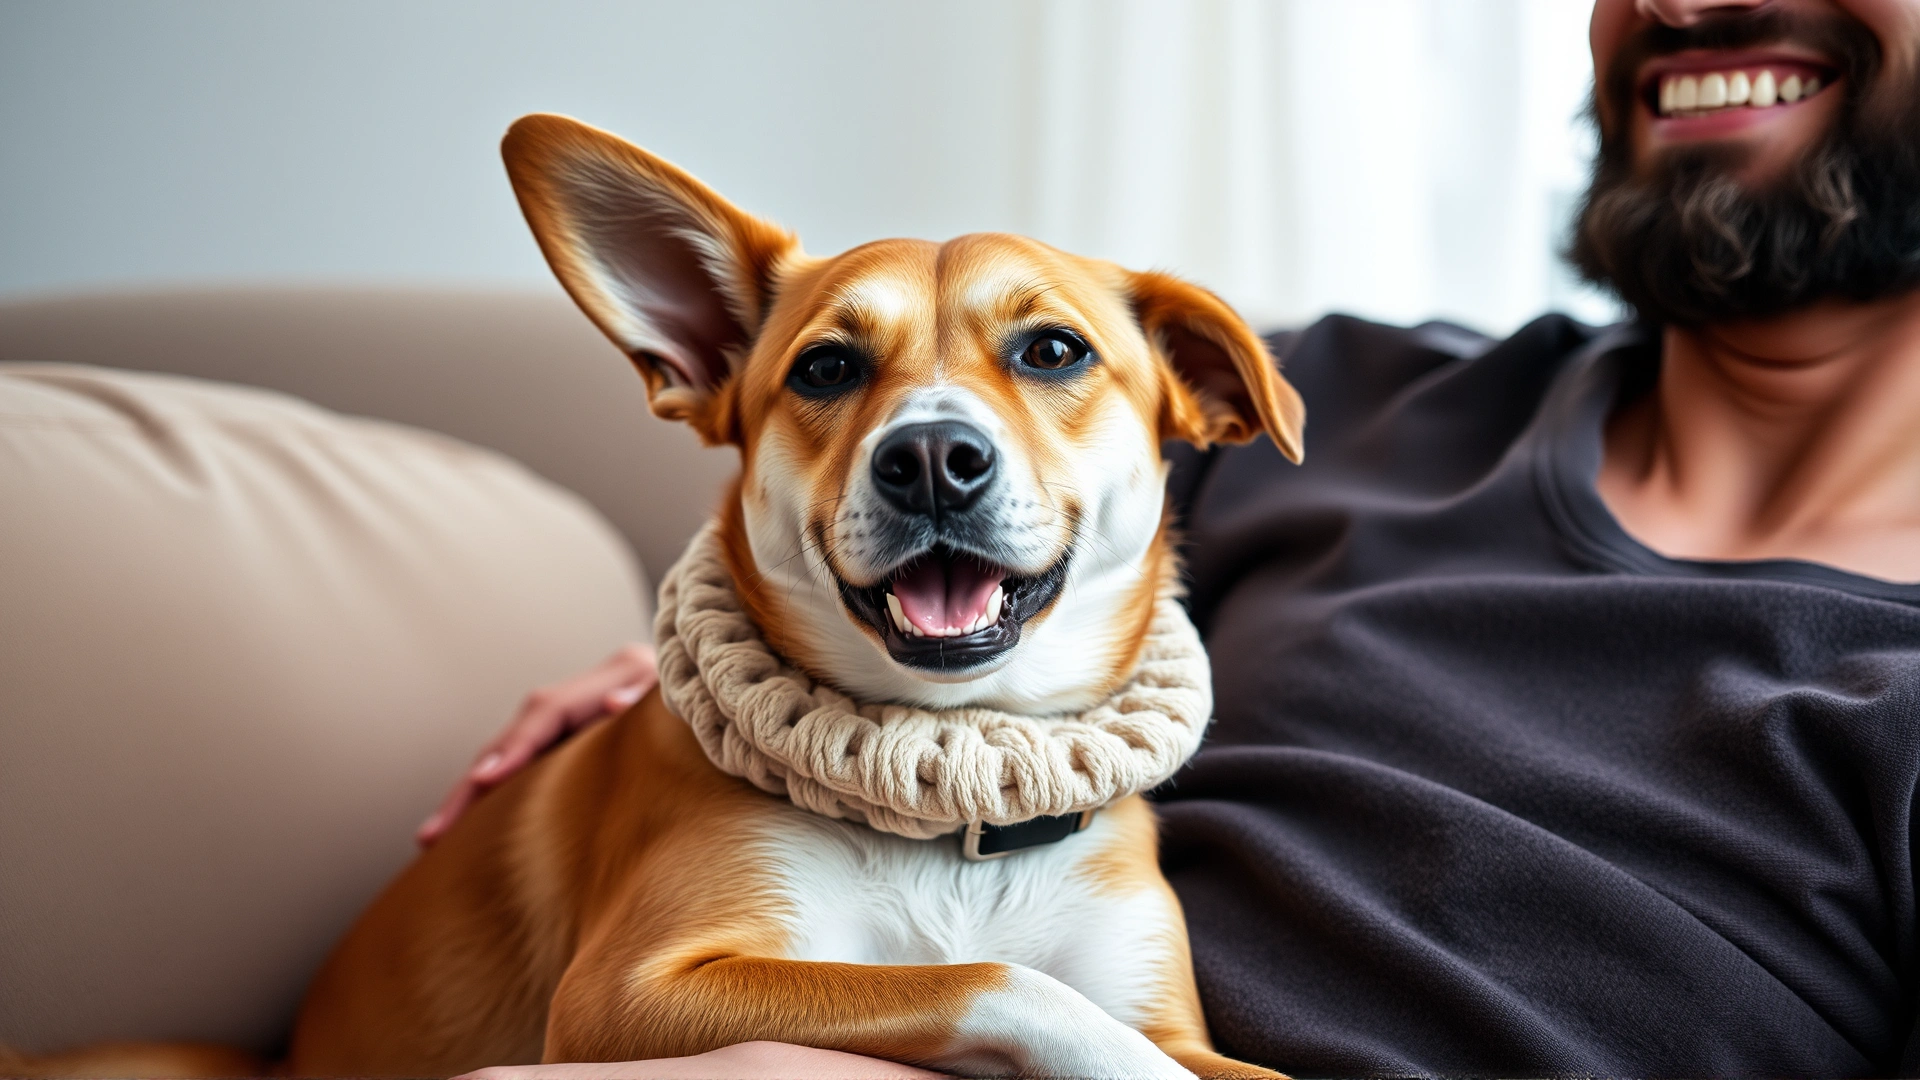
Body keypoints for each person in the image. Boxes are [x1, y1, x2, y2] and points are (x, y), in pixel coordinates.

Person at [427, 0, 1920, 1073]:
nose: (1675, 4)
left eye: (1046, 361)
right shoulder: (1329, 396)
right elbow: (943, 583)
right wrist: (710, 661)